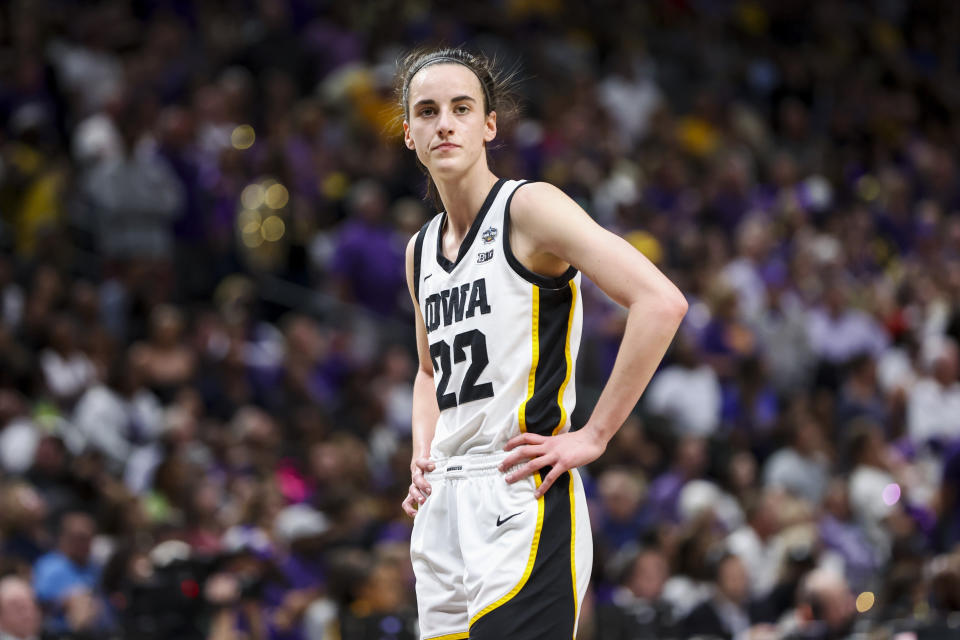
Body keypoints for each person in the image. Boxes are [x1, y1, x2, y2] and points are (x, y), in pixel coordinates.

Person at [397, 48, 687, 640]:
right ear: (409, 134)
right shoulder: (420, 250)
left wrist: (595, 435)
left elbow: (661, 302)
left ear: (490, 125)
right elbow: (429, 373)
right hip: (444, 507)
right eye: (427, 111)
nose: (444, 123)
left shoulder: (529, 208)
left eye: (461, 108)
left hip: (520, 491)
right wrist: (421, 453)